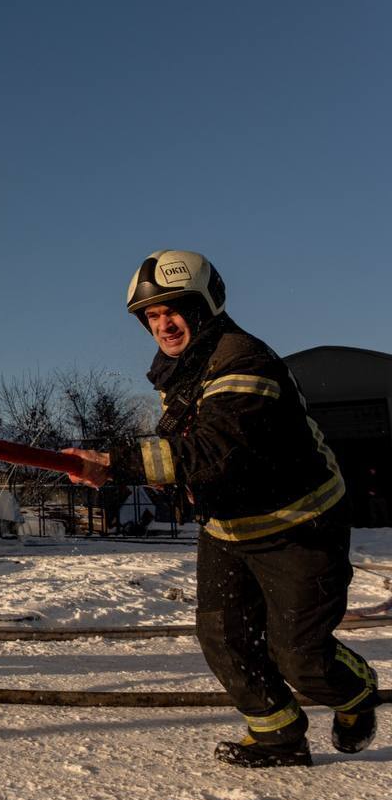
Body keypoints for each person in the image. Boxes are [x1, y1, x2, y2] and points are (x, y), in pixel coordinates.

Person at [64, 250, 380, 767]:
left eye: (174, 310)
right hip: (229, 529)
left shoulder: (243, 360)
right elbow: (191, 455)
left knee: (300, 656)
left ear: (207, 305)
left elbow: (216, 451)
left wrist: (113, 462)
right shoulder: (179, 371)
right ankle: (279, 736)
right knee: (223, 637)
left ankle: (356, 693)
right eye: (151, 316)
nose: (163, 325)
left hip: (298, 526)